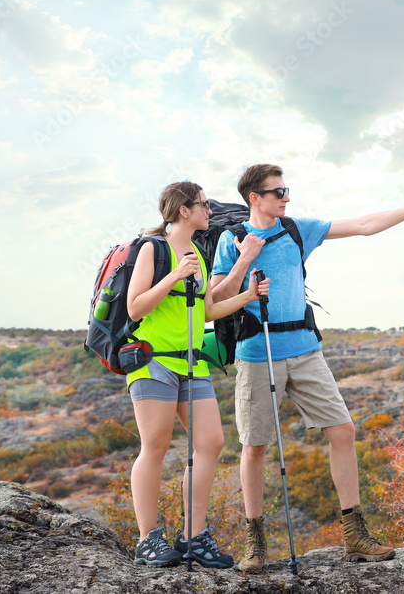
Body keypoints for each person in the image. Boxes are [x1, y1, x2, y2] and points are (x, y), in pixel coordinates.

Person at [210, 164, 404, 573]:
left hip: (305, 349)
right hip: (257, 351)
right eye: (278, 192)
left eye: (287, 190)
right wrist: (246, 259)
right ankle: (255, 545)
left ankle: (355, 536)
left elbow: (362, 225)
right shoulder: (231, 239)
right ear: (254, 198)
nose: (286, 197)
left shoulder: (296, 229)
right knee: (254, 447)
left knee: (342, 430)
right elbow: (215, 297)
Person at [125, 181, 270, 568]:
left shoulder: (198, 255)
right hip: (153, 361)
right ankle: (147, 540)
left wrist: (247, 298)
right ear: (183, 210)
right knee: (154, 446)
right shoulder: (152, 249)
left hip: (192, 363)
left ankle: (193, 536)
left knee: (211, 442)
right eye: (204, 205)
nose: (211, 210)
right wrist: (174, 276)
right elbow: (136, 308)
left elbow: (205, 312)